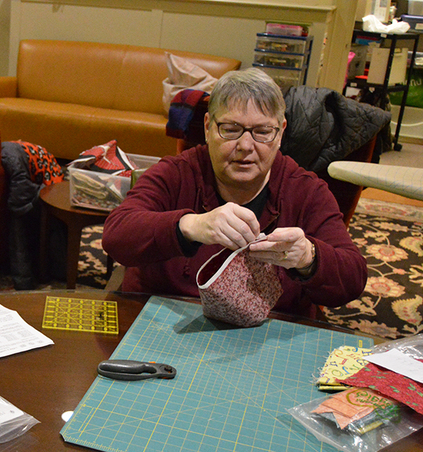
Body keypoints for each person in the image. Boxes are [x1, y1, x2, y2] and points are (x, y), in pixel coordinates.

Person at [102, 68, 367, 318]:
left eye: (262, 132)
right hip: (167, 321)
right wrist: (190, 225)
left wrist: (309, 257)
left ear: (280, 133)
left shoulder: (305, 190)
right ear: (207, 127)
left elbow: (353, 278)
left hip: (266, 337)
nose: (245, 146)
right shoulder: (178, 173)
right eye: (230, 130)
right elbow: (116, 235)